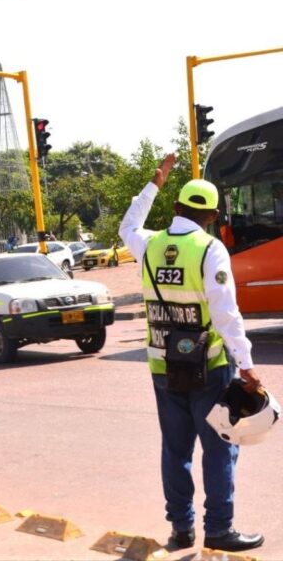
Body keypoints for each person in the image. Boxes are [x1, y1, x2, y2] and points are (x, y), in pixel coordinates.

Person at [119, 153, 264, 553]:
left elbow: (127, 226)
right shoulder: (210, 249)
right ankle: (218, 529)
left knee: (175, 449)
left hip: (162, 364)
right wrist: (248, 367)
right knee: (219, 447)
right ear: (214, 215)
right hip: (210, 367)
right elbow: (225, 314)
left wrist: (153, 184)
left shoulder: (149, 244)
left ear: (177, 208)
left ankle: (180, 529)